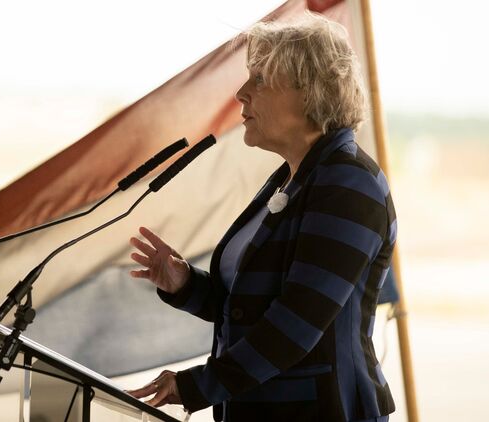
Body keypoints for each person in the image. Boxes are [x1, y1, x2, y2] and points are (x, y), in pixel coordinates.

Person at [126, 13, 396, 422]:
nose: (241, 93)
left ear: (309, 91)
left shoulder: (349, 185)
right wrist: (186, 284)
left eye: (260, 79)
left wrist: (196, 385)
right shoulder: (293, 177)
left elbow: (296, 323)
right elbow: (248, 310)